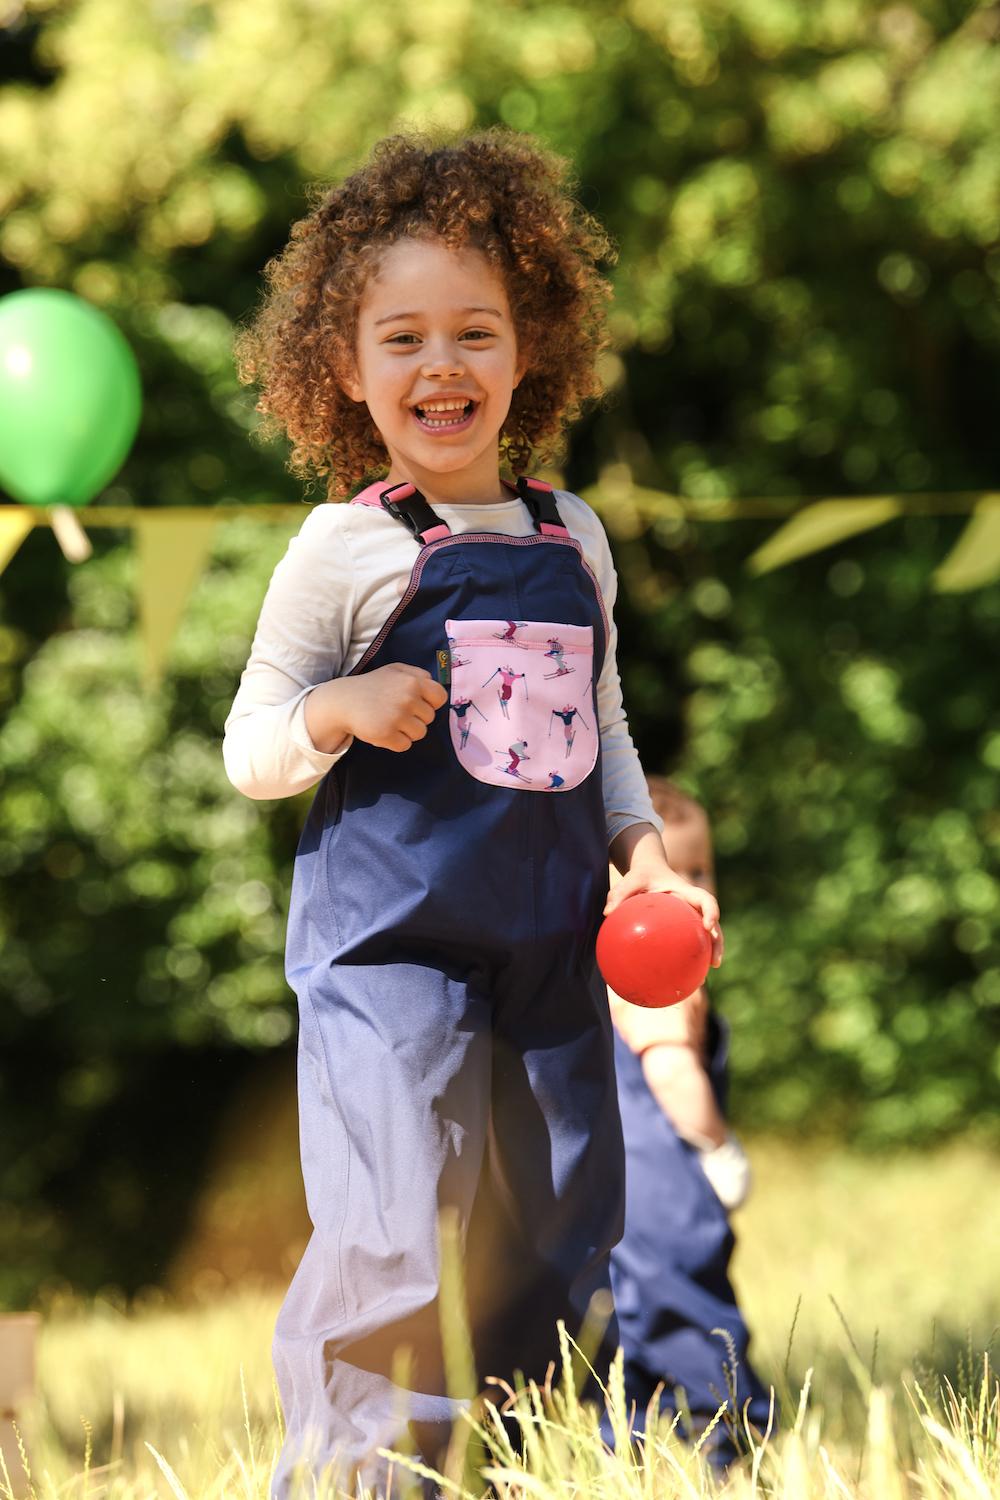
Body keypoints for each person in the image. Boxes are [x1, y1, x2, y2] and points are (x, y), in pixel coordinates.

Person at [223, 130, 723, 1497]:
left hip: (551, 961)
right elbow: (251, 746)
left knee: (558, 1236)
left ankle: (489, 1467)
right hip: (391, 957)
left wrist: (641, 861)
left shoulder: (574, 534)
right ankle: (353, 1479)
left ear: (530, 348)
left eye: (475, 331)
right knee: (390, 1231)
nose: (441, 365)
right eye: (403, 338)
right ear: (347, 369)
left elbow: (605, 730)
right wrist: (340, 711)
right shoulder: (346, 549)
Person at [608, 779, 771, 1471]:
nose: (691, 890)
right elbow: (674, 1073)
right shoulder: (656, 974)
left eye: (700, 871)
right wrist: (718, 1147)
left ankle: (627, 1466)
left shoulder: (603, 973)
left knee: (629, 1356)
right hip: (666, 1201)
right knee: (703, 1337)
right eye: (674, 873)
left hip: (616, 1210)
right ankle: (728, 1464)